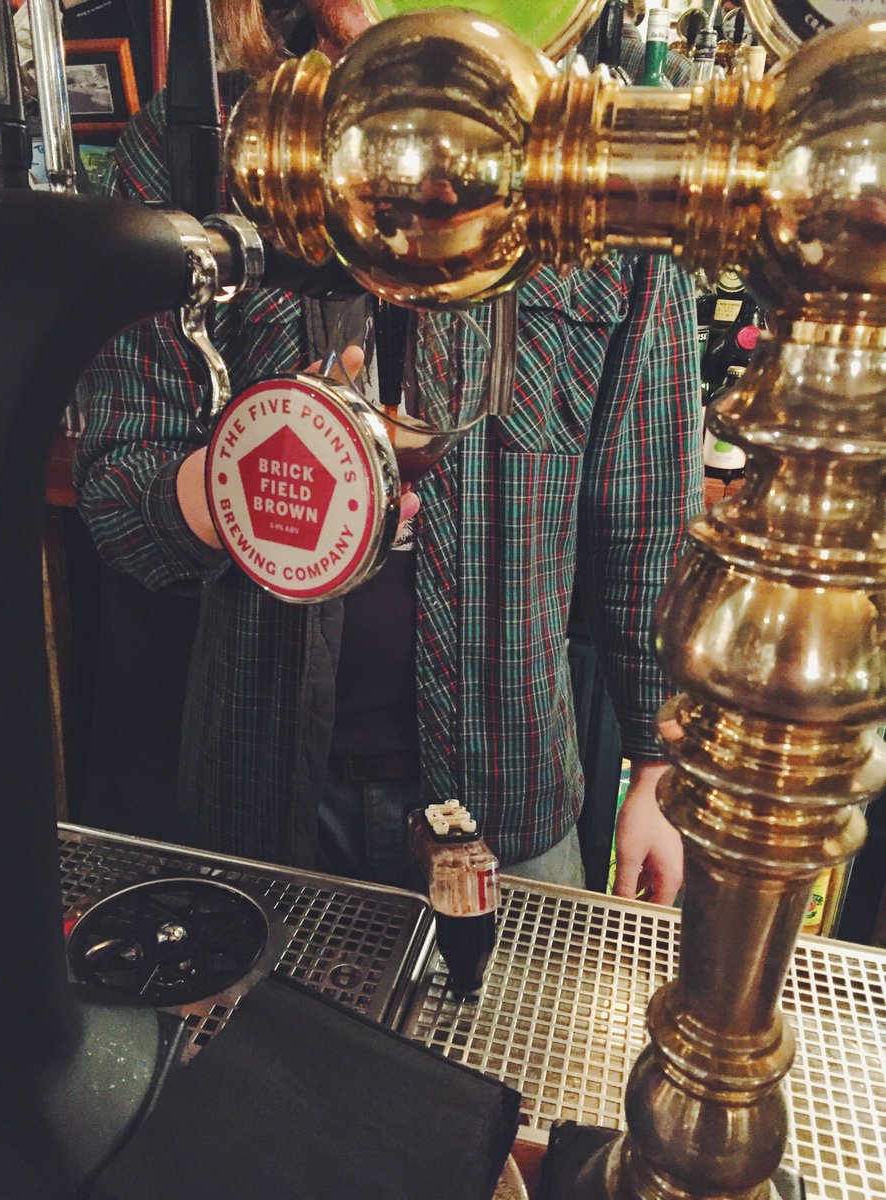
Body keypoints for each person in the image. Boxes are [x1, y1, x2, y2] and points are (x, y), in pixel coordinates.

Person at [74, 0, 703, 904]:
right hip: (257, 796)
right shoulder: (197, 144)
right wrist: (242, 485)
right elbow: (115, 489)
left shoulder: (597, 166)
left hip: (511, 804)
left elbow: (648, 520)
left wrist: (660, 766)